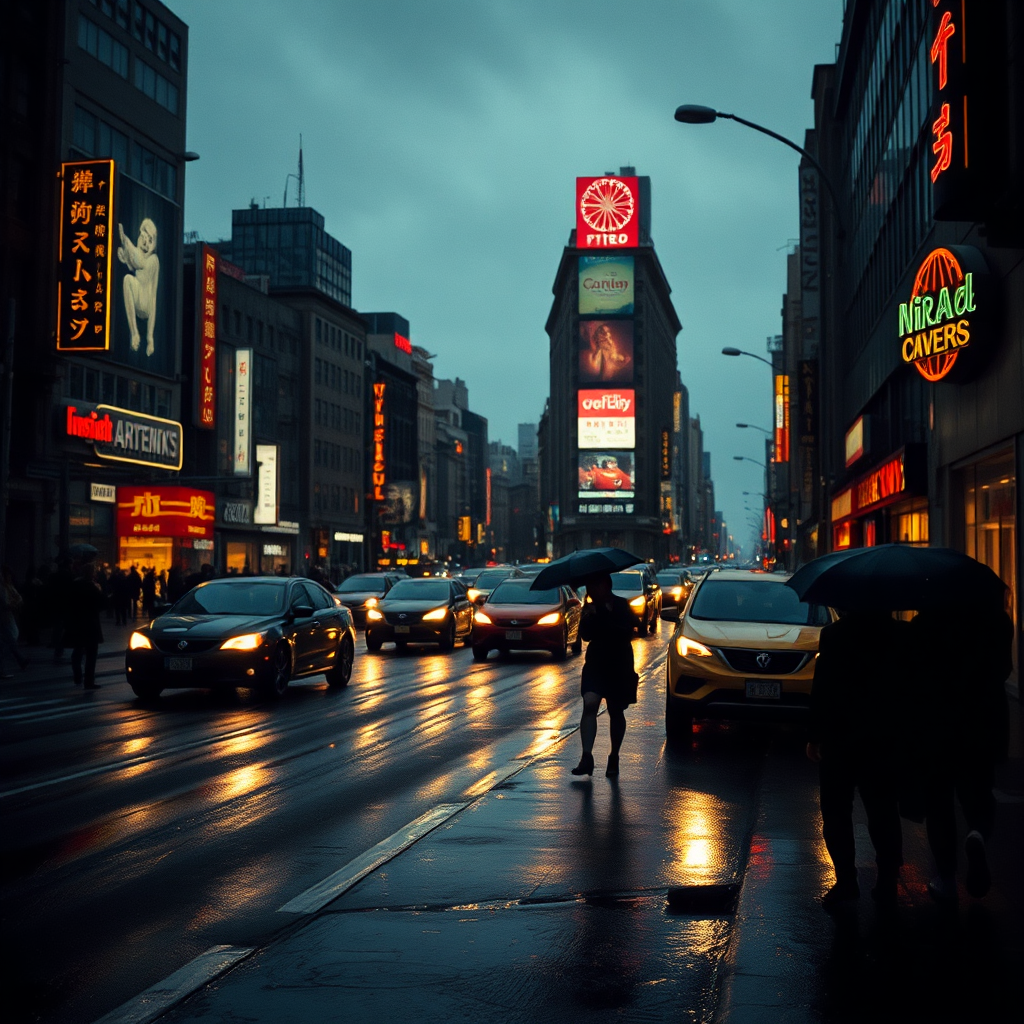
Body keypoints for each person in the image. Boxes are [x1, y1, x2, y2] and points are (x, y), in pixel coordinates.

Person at [910, 590, 1013, 905]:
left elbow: (913, 674)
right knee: (979, 792)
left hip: (937, 726)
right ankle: (977, 834)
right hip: (982, 723)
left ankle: (945, 878)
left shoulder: (925, 625)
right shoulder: (997, 622)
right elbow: (1003, 670)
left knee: (939, 802)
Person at [806, 608, 909, 910]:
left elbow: (821, 688)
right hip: (883, 738)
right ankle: (888, 879)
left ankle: (846, 881)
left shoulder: (834, 635)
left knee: (836, 810)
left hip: (840, 738)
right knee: (883, 809)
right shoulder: (900, 635)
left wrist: (814, 736)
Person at [570, 572, 639, 778]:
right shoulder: (589, 608)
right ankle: (586, 757)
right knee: (589, 702)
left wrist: (604, 614)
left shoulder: (621, 605)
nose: (591, 591)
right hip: (596, 663)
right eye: (589, 587)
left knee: (616, 711)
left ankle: (614, 756)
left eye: (595, 586)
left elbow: (628, 631)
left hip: (619, 664)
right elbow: (586, 635)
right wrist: (587, 615)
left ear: (606, 586)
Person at [64, 562, 106, 690]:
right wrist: (101, 591)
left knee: (78, 650)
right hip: (91, 624)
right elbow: (101, 604)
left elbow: (68, 603)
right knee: (91, 654)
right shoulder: (93, 587)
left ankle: (77, 674)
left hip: (77, 623)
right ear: (91, 574)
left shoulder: (74, 585)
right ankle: (89, 681)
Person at [0, 566, 29, 676]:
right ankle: (18, 659)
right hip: (4, 615)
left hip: (8, 615)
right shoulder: (3, 588)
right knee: (10, 637)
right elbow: (6, 602)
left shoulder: (8, 587)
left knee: (11, 637)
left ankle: (19, 659)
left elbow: (17, 597)